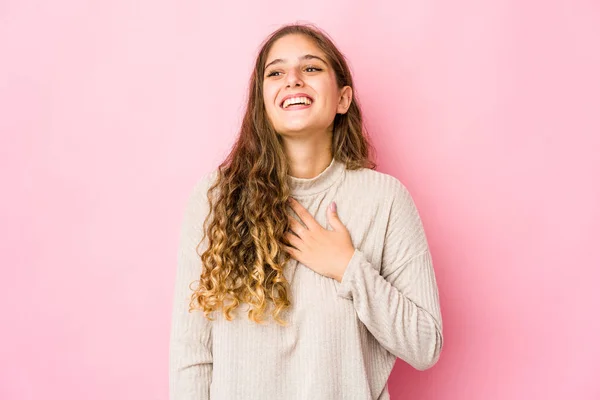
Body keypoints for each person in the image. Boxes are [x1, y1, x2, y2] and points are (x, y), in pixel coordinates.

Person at [169, 22, 443, 400]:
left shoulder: (385, 200)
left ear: (343, 98)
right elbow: (192, 355)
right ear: (262, 102)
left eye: (311, 68)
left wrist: (347, 267)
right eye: (276, 72)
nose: (293, 80)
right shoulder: (215, 198)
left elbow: (425, 345)